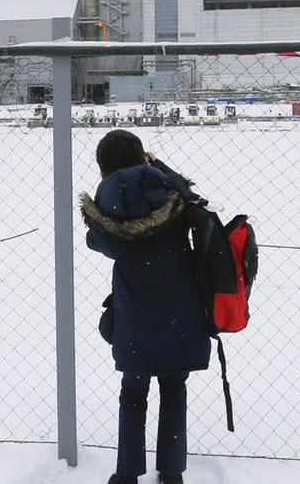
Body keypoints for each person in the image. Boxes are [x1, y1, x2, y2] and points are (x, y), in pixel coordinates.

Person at [82, 129, 210, 484]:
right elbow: (193, 198)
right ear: (143, 160)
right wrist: (159, 168)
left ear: (103, 172)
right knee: (174, 387)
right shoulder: (171, 196)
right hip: (180, 313)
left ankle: (126, 474)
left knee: (133, 392)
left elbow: (96, 240)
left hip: (134, 318)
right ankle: (171, 472)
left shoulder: (106, 210)